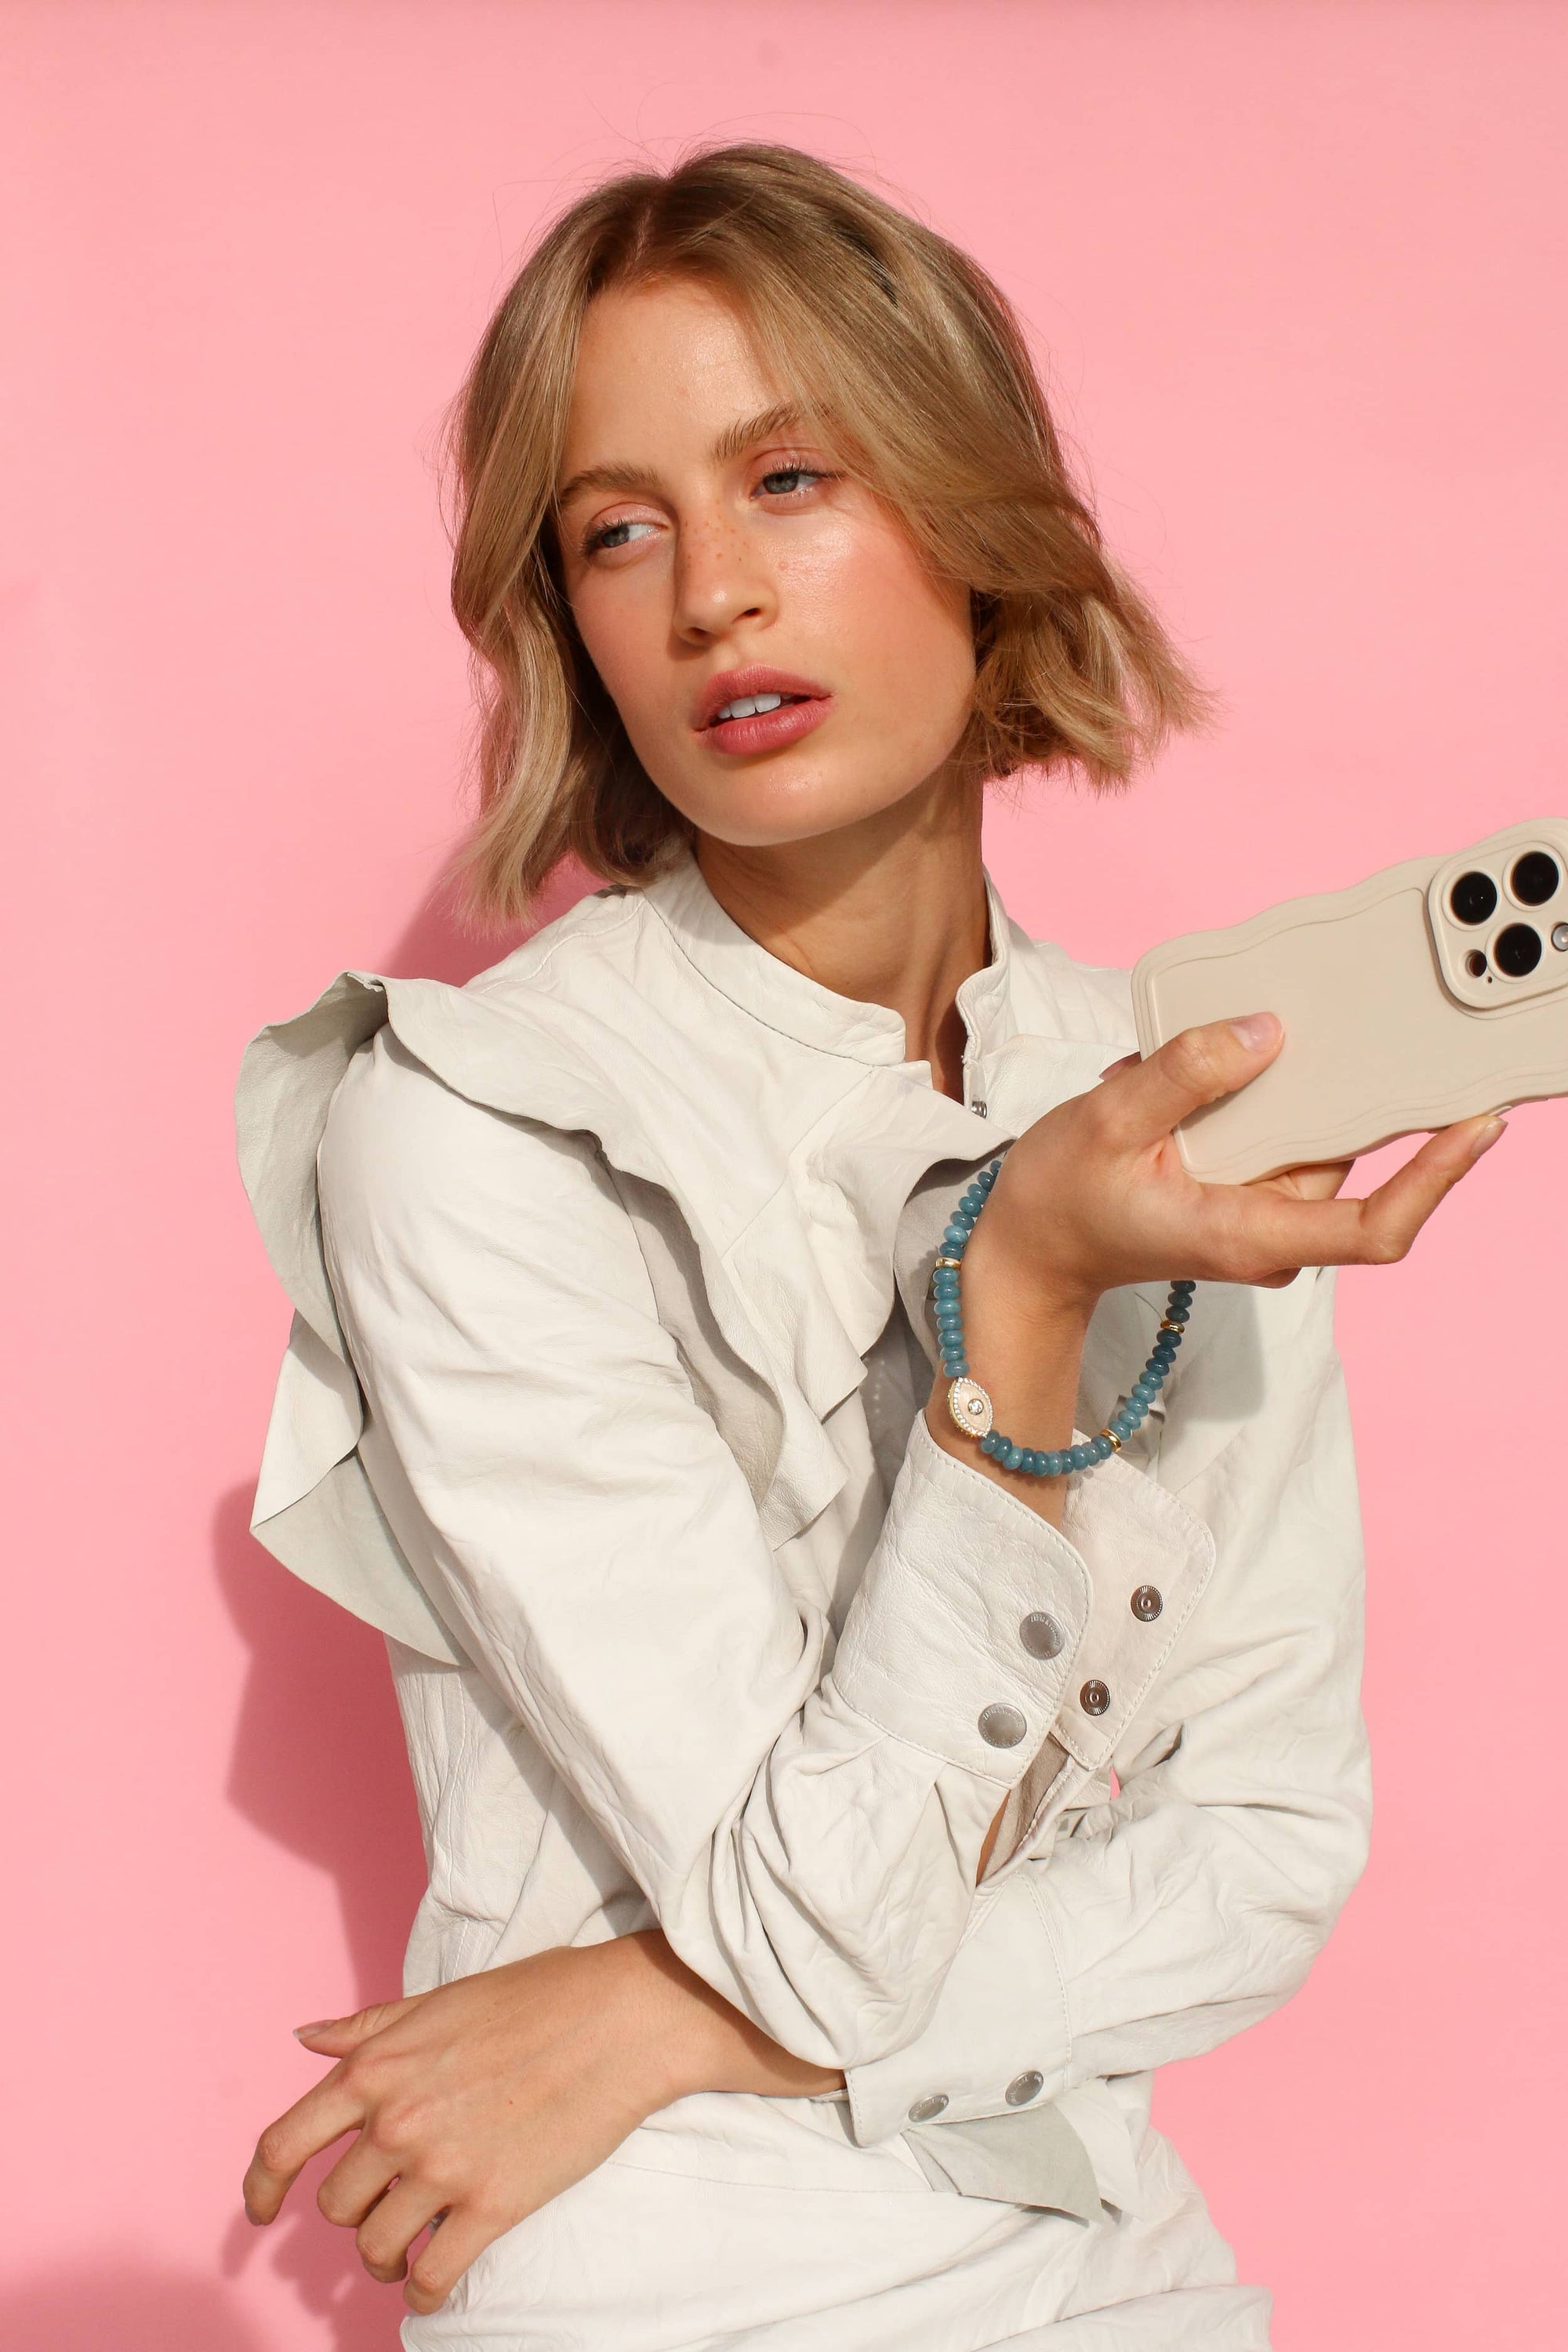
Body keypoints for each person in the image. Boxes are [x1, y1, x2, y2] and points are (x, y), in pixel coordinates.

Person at [234, 144, 1501, 2350]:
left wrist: (640, 2011)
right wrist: (1017, 1309)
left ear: (971, 511)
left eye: (790, 477)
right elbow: (812, 1925)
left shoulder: (1150, 1086)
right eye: (618, 529)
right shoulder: (470, 1127)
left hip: (1092, 2216)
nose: (710, 591)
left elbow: (1273, 1838)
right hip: (678, 2264)